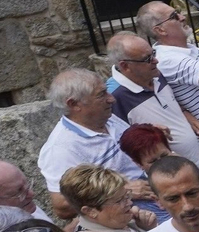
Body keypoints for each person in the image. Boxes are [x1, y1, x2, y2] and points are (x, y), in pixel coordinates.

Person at [37, 67, 146, 218]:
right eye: (101, 95)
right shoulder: (61, 149)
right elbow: (62, 206)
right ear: (74, 104)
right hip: (129, 215)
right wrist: (124, 190)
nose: (111, 98)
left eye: (106, 91)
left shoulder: (105, 117)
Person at [135, 1, 199, 156]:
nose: (183, 17)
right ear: (160, 30)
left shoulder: (187, 49)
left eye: (179, 12)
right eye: (174, 16)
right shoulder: (166, 59)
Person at [106, 31, 199, 173]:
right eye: (147, 58)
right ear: (125, 66)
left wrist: (185, 114)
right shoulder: (114, 98)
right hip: (172, 179)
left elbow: (166, 101)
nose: (155, 60)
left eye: (153, 53)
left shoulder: (154, 73)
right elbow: (118, 143)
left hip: (198, 168)